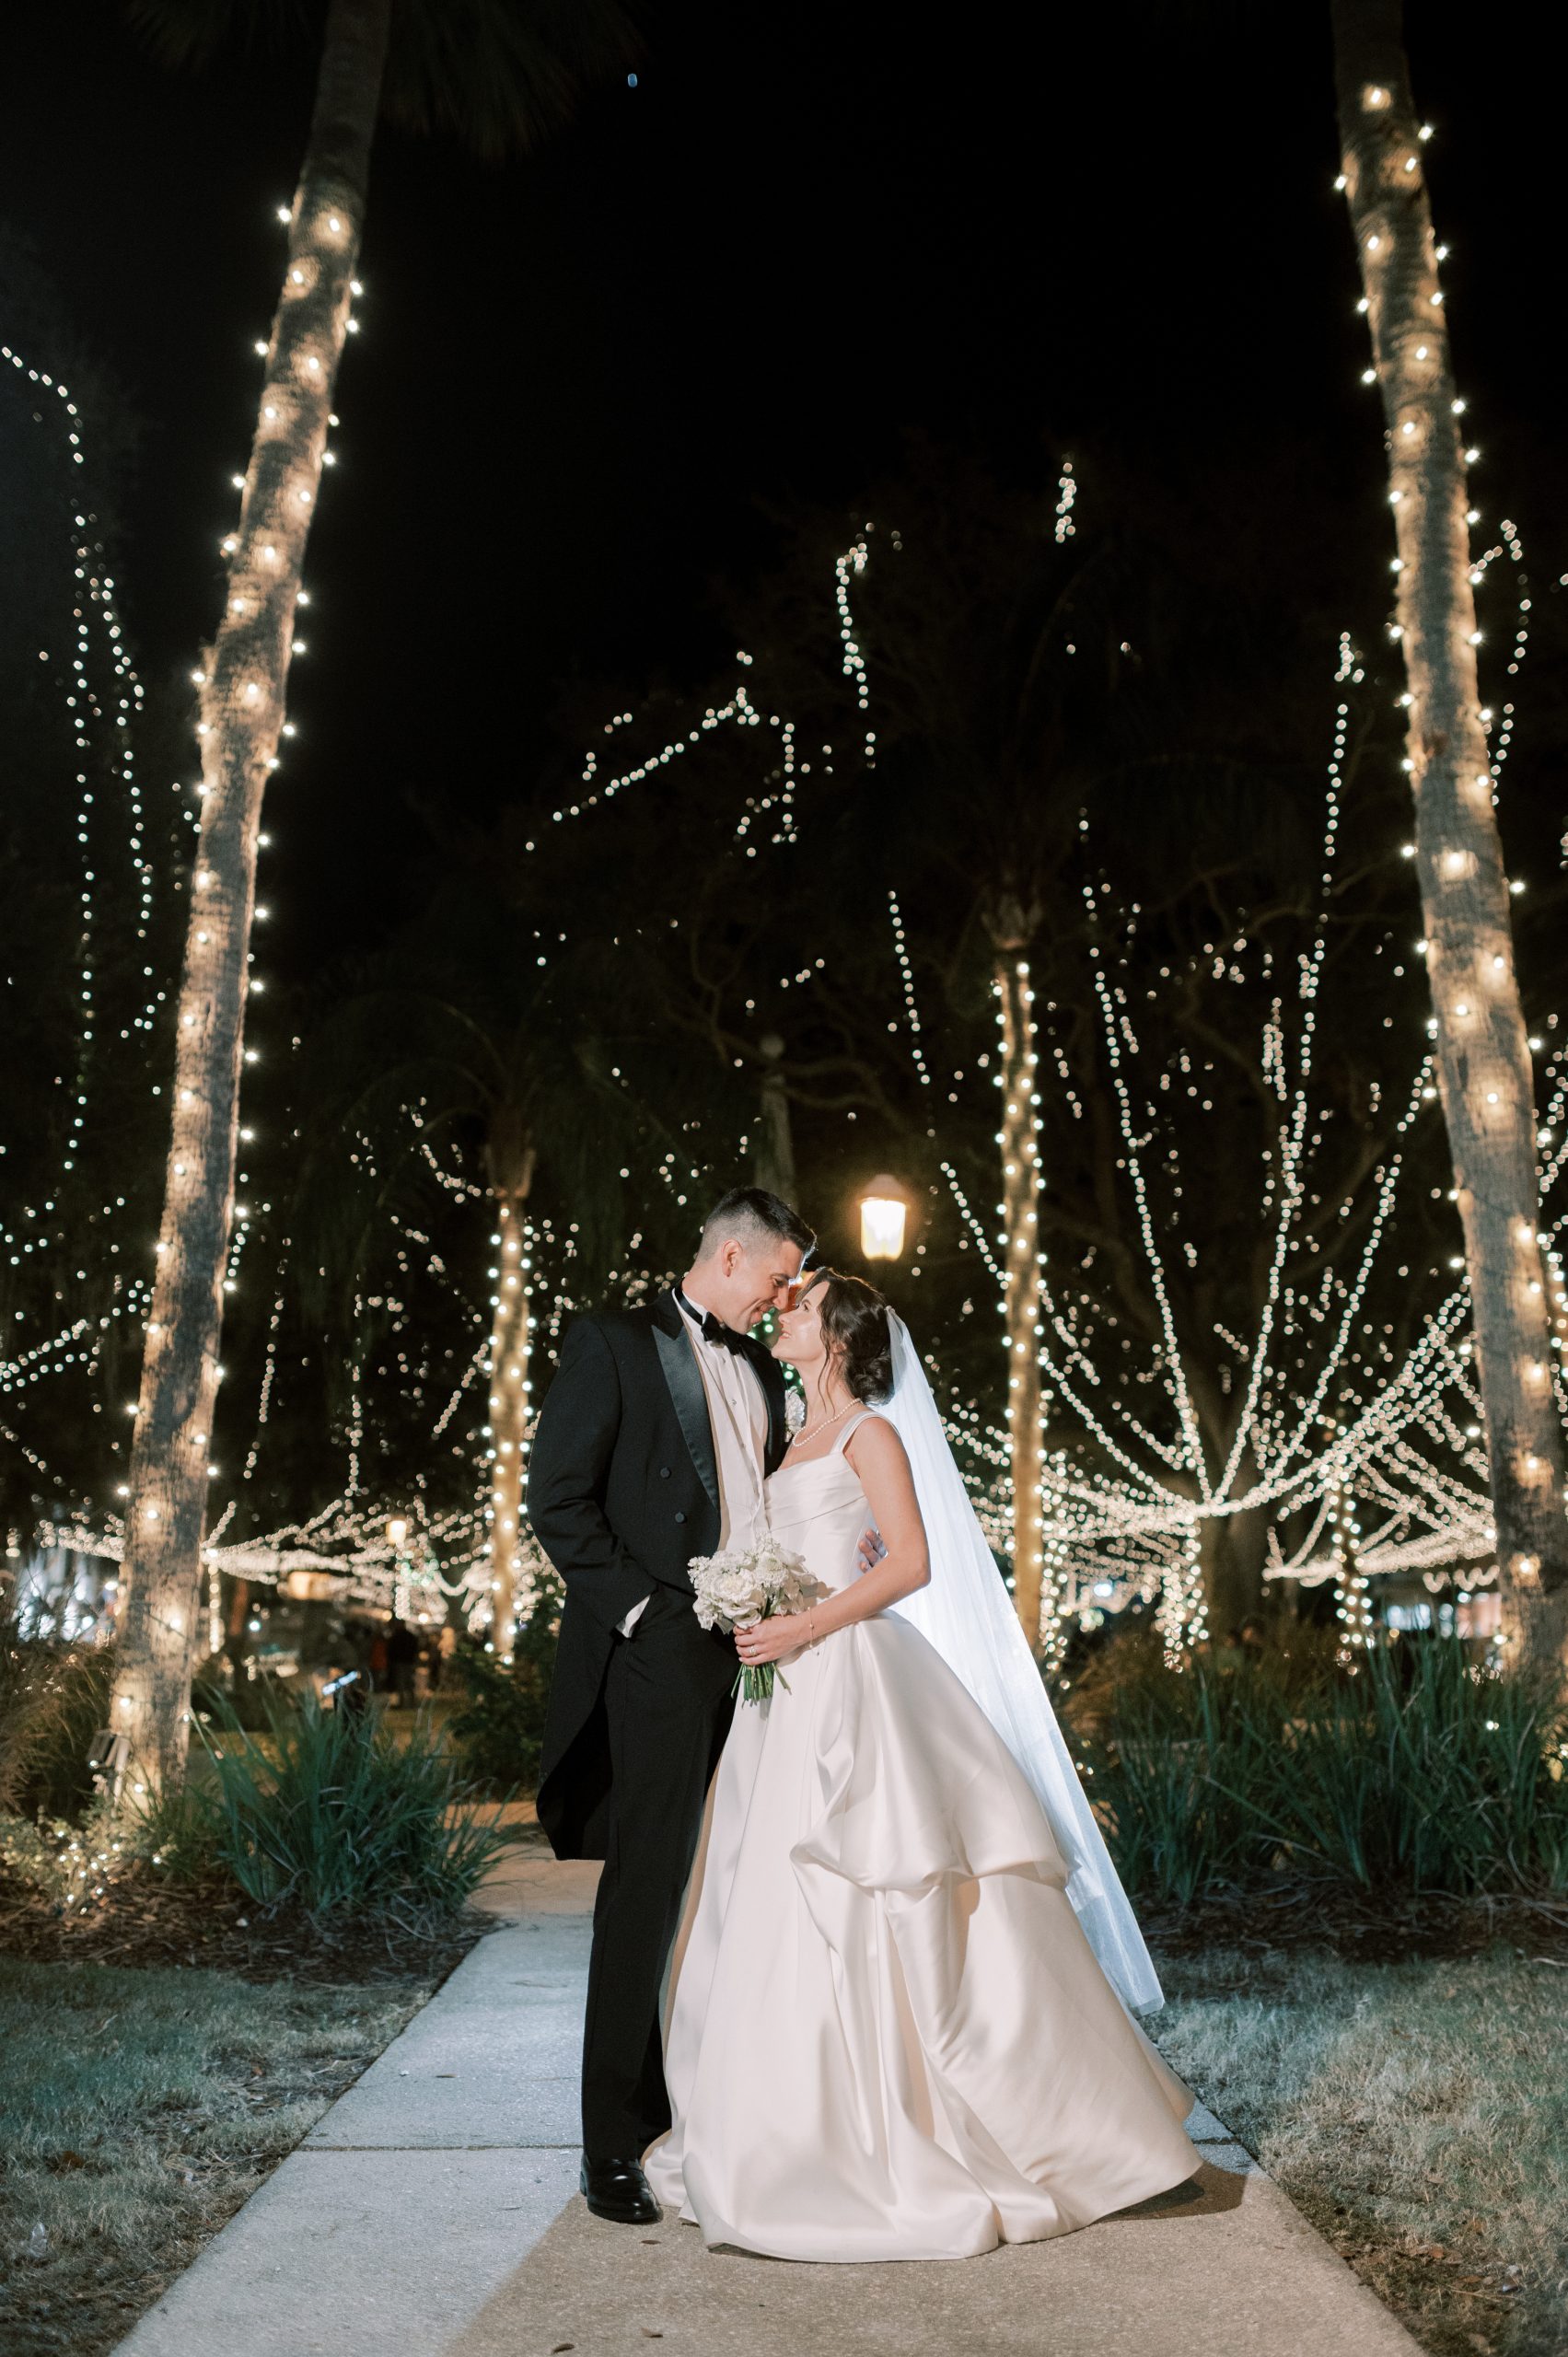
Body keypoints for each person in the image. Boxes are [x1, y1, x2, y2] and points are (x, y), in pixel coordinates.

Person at [645, 1270, 1198, 2261]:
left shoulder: (869, 1434)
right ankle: (777, 2127)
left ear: (845, 1339)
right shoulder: (790, 1437)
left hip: (852, 1675)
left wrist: (802, 1620)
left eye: (802, 1305)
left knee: (881, 1880)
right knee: (760, 1894)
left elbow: (907, 1560)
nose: (783, 1312)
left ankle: (942, 2128)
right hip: (781, 1693)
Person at [528, 1186, 814, 2226]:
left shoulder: (759, 1368)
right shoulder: (609, 1341)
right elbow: (553, 1498)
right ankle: (613, 2142)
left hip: (763, 1654)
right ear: (730, 1260)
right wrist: (647, 1613)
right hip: (659, 1657)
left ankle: (713, 2110)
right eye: (777, 1277)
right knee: (646, 1894)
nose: (782, 1300)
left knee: (737, 1888)